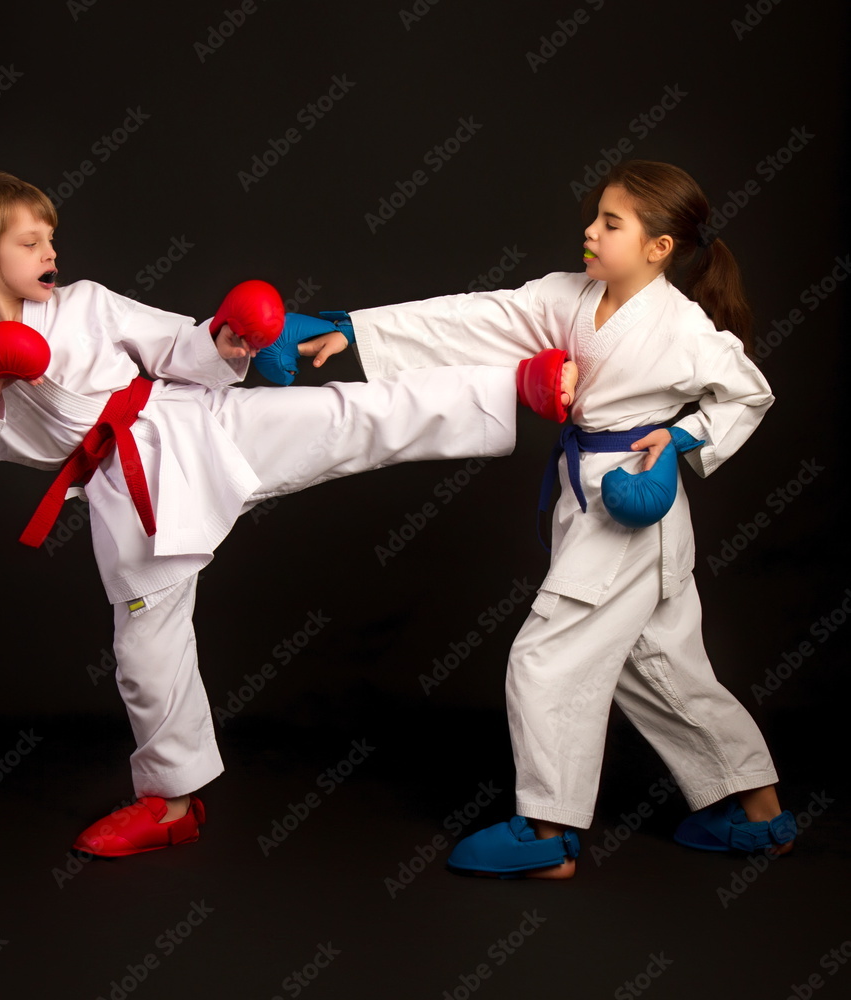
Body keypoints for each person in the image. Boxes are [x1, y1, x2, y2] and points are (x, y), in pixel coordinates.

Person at [0, 170, 577, 858]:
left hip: (194, 424)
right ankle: (170, 805)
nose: (50, 253)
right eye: (29, 242)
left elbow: (175, 347)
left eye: (50, 238)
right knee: (147, 649)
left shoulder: (87, 303)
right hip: (130, 491)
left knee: (343, 415)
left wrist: (225, 339)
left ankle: (514, 386)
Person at [287, 159, 796, 878]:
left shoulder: (682, 327)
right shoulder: (569, 296)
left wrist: (681, 436)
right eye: (594, 217)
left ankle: (547, 832)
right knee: (660, 666)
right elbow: (472, 317)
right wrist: (356, 330)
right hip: (591, 495)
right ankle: (760, 817)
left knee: (545, 658)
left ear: (658, 247)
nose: (589, 231)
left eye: (610, 223)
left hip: (630, 507)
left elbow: (748, 392)